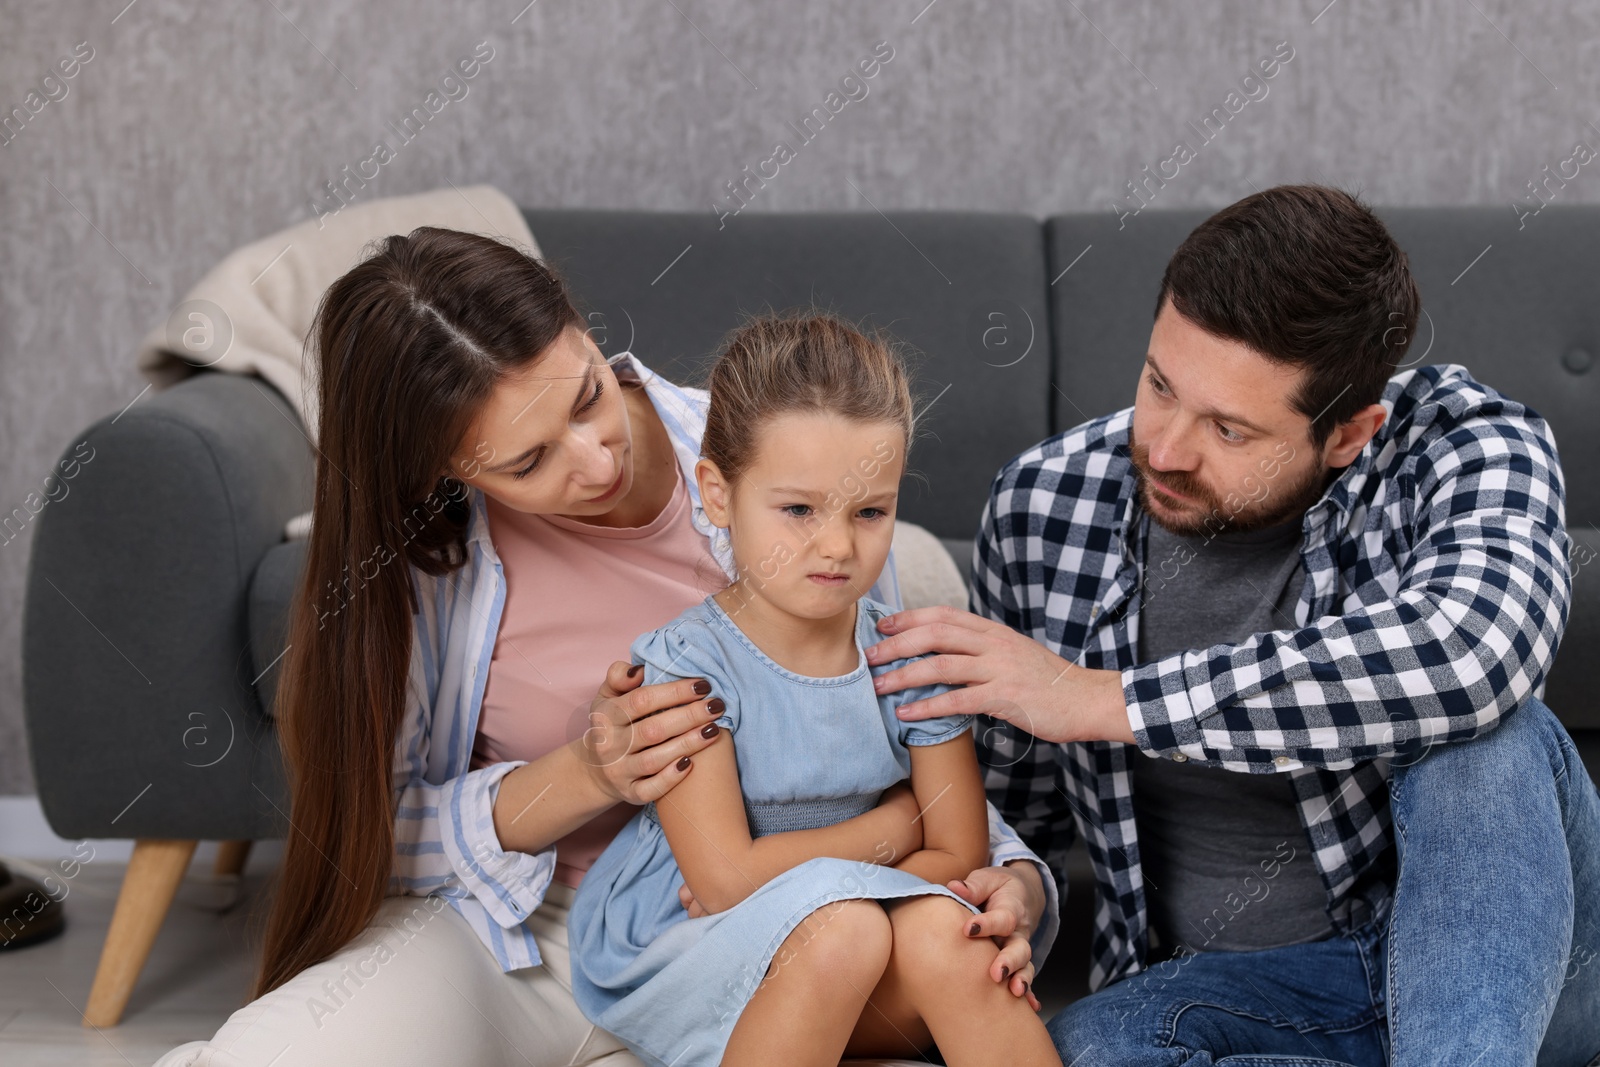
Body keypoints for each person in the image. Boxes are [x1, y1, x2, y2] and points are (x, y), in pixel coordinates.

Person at [155, 228, 1058, 1067]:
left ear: (581, 328)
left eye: (586, 396)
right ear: (446, 471)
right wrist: (585, 774)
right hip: (533, 935)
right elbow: (371, 835)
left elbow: (882, 723)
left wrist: (1010, 871)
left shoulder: (778, 453)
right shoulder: (420, 567)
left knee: (935, 959)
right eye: (527, 462)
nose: (595, 462)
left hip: (795, 925)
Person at [866, 185, 1600, 1064]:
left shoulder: (1466, 445)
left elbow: (1473, 650)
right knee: (1100, 1042)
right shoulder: (1042, 505)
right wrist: (1017, 885)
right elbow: (1014, 821)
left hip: (1528, 969)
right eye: (1159, 385)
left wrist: (1105, 700)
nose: (1168, 448)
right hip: (1271, 1001)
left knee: (1486, 738)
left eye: (1229, 428)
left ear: (1349, 434)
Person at [566, 314, 1063, 1067]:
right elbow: (727, 880)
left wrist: (872, 868)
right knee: (849, 930)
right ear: (719, 493)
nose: (837, 546)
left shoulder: (911, 657)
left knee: (951, 933)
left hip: (849, 937)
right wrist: (897, 824)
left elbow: (959, 856)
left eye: (870, 511)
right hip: (694, 944)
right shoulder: (689, 665)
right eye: (798, 509)